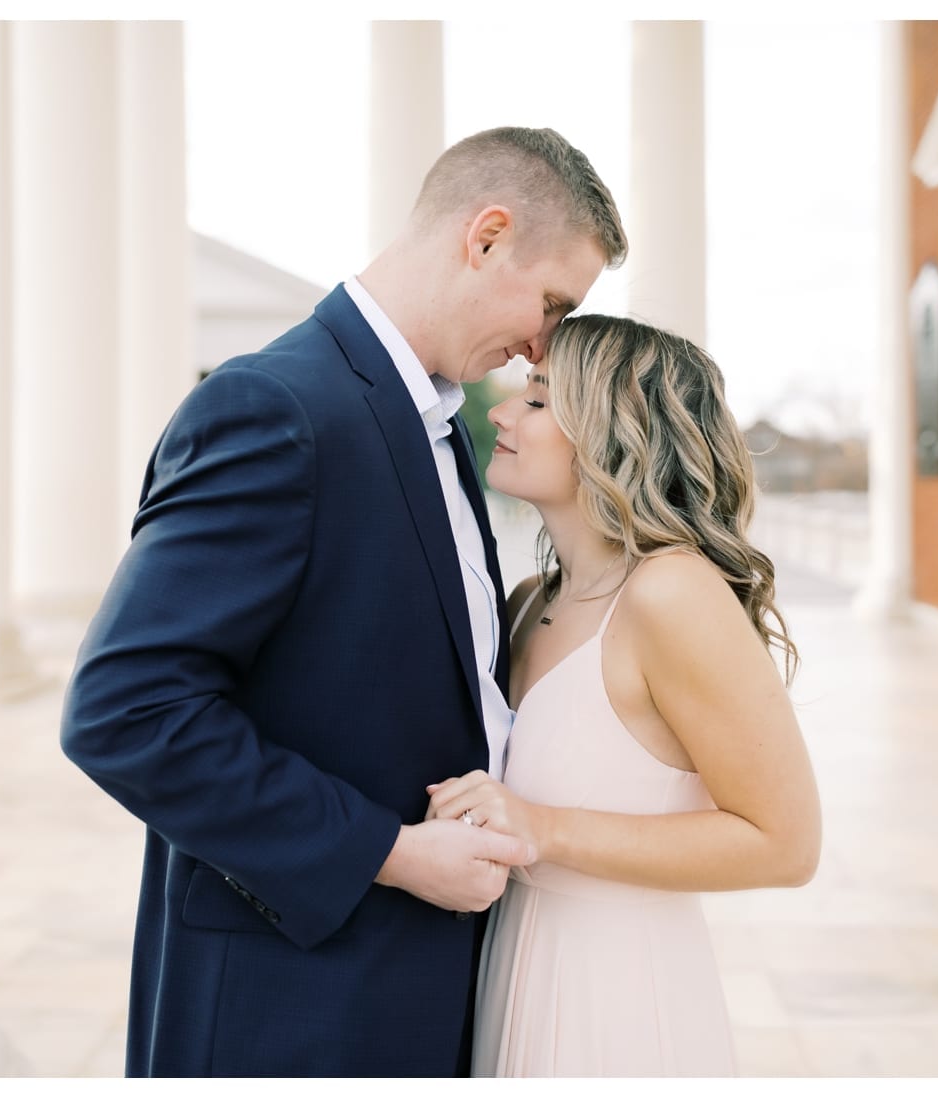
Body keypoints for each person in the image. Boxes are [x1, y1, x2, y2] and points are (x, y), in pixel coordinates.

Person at [59, 127, 627, 1077]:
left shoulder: (439, 426)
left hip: (419, 990)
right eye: (553, 304)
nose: (545, 345)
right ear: (486, 236)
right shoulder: (276, 409)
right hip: (289, 1008)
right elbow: (127, 714)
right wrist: (392, 853)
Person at [423, 314, 822, 1077]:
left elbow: (787, 843)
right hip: (512, 971)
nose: (501, 413)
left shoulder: (672, 595)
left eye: (538, 399)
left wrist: (542, 828)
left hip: (619, 1000)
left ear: (616, 432)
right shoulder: (531, 599)